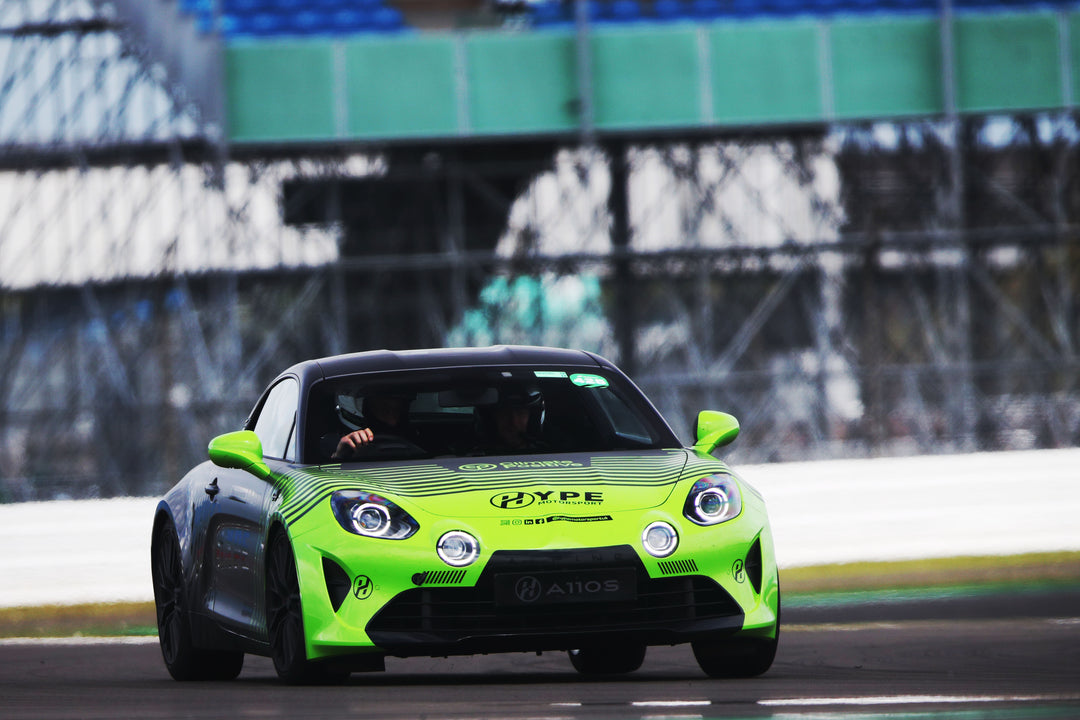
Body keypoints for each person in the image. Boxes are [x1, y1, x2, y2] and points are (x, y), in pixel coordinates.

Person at [331, 393, 420, 460]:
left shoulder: (423, 440)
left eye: (398, 410)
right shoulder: (354, 442)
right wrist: (339, 454)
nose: (392, 421)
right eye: (384, 410)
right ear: (368, 410)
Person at [477, 385, 546, 453]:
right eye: (505, 414)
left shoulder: (545, 454)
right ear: (492, 418)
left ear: (531, 418)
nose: (514, 422)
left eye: (521, 414)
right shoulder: (476, 456)